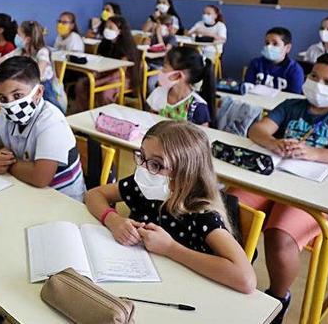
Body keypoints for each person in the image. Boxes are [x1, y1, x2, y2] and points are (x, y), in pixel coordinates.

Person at [232, 54, 328, 323]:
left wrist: (315, 153)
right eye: (313, 77)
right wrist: (273, 143)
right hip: (275, 178)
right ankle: (238, 270)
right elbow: (257, 130)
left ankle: (278, 297)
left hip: (315, 190)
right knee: (230, 210)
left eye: (327, 81)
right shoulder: (291, 106)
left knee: (280, 235)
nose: (317, 84)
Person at [85, 121, 256, 294]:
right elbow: (93, 195)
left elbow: (246, 279)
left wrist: (170, 249)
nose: (143, 169)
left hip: (183, 292)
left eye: (156, 164)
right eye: (142, 157)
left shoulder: (200, 212)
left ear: (185, 173)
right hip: (139, 281)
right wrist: (114, 221)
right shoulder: (143, 185)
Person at [0, 57, 85, 200]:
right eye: (3, 99)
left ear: (39, 92)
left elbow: (40, 178)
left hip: (64, 200)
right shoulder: (5, 116)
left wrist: (7, 163)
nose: (10, 104)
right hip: (26, 190)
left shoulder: (51, 121)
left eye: (17, 95)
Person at [0, 20, 66, 113]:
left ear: (27, 39)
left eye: (18, 35)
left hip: (42, 86)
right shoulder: (20, 50)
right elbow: (0, 60)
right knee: (4, 105)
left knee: (52, 111)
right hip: (24, 84)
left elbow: (38, 75)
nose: (16, 37)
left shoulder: (42, 51)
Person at [72, 16, 140, 111]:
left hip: (121, 78)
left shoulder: (126, 47)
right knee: (81, 85)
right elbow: (98, 61)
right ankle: (83, 112)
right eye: (106, 27)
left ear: (120, 31)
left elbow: (120, 72)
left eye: (111, 28)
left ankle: (104, 116)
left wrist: (99, 81)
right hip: (103, 74)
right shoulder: (104, 44)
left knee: (105, 92)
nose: (107, 30)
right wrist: (96, 75)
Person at [146, 47, 215, 128]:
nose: (161, 71)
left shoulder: (197, 107)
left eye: (165, 67)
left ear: (178, 75)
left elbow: (202, 138)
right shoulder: (159, 93)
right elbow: (149, 123)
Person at [244, 27, 305, 94]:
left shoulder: (295, 70)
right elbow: (247, 88)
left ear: (287, 48)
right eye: (267, 43)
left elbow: (294, 97)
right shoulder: (256, 63)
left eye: (275, 44)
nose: (269, 46)